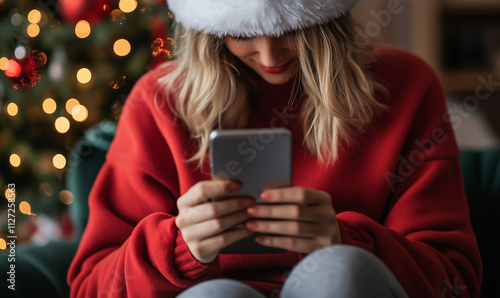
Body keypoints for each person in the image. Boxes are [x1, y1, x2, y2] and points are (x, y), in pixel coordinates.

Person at [67, 0, 482, 297]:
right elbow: (90, 287)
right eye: (243, 31)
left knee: (340, 270)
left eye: (290, 26)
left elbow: (455, 280)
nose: (269, 54)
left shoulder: (405, 85)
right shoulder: (159, 101)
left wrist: (348, 241)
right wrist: (177, 249)